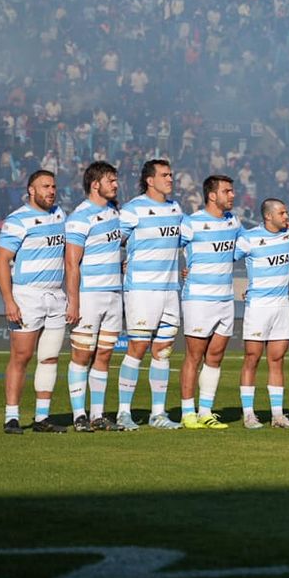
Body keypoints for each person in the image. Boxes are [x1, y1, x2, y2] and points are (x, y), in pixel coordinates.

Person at [0, 170, 67, 434]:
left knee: (49, 358)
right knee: (22, 356)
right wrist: (9, 300)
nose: (51, 191)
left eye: (53, 186)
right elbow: (2, 261)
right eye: (45, 186)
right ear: (31, 190)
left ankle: (42, 418)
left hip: (56, 296)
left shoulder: (60, 215)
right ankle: (11, 417)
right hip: (27, 295)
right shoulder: (17, 220)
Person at [118, 159, 185, 430]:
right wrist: (119, 264)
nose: (170, 179)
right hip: (142, 290)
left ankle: (158, 414)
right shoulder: (132, 210)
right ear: (149, 180)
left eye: (171, 174)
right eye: (165, 175)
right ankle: (123, 412)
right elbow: (110, 243)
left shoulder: (175, 208)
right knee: (137, 348)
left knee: (163, 351)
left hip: (170, 290)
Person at [177, 175, 241, 430]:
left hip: (225, 299)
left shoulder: (233, 221)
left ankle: (205, 412)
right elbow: (167, 247)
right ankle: (187, 413)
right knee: (194, 356)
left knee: (215, 356)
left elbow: (253, 242)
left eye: (232, 191)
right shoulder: (191, 223)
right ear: (212, 195)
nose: (232, 195)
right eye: (227, 191)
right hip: (199, 299)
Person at [63, 161, 123, 432]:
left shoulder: (114, 212)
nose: (116, 185)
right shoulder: (80, 216)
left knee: (105, 354)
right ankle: (79, 415)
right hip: (89, 296)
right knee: (82, 354)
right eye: (111, 180)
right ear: (95, 184)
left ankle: (97, 414)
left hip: (114, 294)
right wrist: (73, 301)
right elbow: (71, 263)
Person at [235, 198, 289, 429]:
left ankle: (277, 416)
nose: (286, 216)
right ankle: (249, 414)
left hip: (281, 306)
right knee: (252, 358)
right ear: (268, 216)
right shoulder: (249, 238)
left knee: (277, 360)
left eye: (286, 212)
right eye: (282, 213)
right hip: (258, 306)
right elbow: (224, 258)